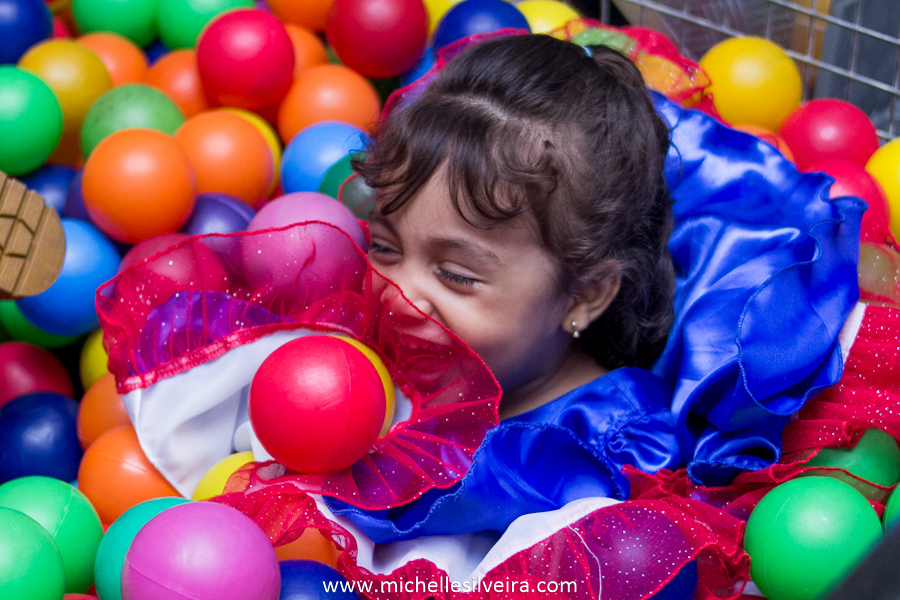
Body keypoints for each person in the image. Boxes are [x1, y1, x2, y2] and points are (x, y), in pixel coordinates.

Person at [323, 33, 684, 542]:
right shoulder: (358, 355)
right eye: (384, 247)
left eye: (456, 275)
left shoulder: (607, 454)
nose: (399, 293)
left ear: (585, 295)